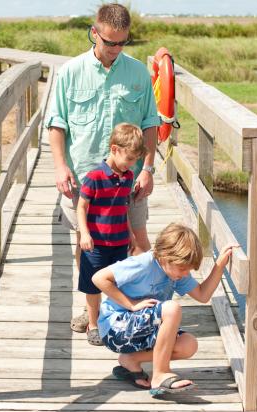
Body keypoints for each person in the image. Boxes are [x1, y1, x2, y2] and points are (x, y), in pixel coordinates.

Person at [44, 2, 161, 334]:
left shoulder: (138, 73)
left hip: (130, 179)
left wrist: (148, 169)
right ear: (94, 32)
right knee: (86, 244)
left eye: (123, 42)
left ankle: (141, 305)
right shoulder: (70, 72)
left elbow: (151, 123)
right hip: (84, 177)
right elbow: (57, 124)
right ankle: (91, 308)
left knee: (137, 242)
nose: (116, 49)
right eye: (110, 42)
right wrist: (60, 166)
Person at [91, 223, 237, 394]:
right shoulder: (144, 263)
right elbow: (99, 278)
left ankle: (131, 360)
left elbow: (203, 295)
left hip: (140, 328)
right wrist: (131, 304)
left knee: (188, 345)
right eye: (183, 269)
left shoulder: (176, 272)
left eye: (188, 270)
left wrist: (219, 266)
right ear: (165, 257)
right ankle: (160, 374)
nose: (185, 274)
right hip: (115, 328)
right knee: (172, 309)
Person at [77, 123, 146, 346]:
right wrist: (84, 234)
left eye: (135, 160)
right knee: (92, 285)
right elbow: (81, 207)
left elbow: (123, 207)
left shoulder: (128, 177)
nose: (131, 164)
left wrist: (131, 234)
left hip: (119, 241)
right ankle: (93, 324)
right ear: (114, 149)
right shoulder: (94, 176)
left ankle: (113, 319)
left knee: (118, 282)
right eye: (129, 159)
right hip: (96, 244)